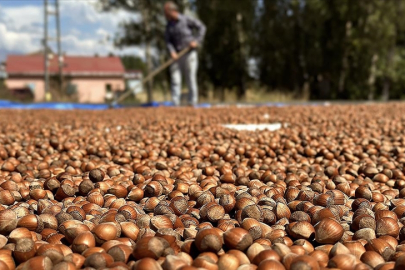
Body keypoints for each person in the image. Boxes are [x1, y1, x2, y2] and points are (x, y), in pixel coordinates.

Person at [164, 1, 206, 106]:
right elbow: (168, 41)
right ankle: (175, 103)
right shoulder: (168, 26)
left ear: (173, 11)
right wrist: (172, 51)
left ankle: (192, 102)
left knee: (190, 78)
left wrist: (196, 41)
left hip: (189, 53)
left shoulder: (186, 20)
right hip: (176, 55)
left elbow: (202, 27)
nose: (165, 16)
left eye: (166, 13)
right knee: (175, 79)